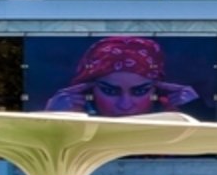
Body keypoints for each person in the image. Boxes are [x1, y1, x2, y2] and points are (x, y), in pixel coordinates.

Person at [44, 36, 199, 117]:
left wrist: (197, 112)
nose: (125, 105)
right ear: (87, 91)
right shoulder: (71, 119)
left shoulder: (176, 119)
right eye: (110, 91)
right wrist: (51, 120)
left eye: (139, 91)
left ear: (157, 90)